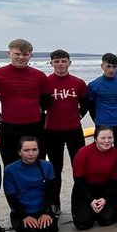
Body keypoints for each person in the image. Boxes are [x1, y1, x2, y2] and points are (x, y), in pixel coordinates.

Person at [39, 49, 89, 213]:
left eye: (63, 61)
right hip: (51, 131)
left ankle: (82, 198)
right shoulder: (45, 82)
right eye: (56, 61)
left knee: (80, 166)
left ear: (69, 62)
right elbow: (40, 105)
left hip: (74, 130)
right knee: (55, 168)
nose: (60, 64)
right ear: (51, 63)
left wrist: (77, 116)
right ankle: (55, 202)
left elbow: (85, 104)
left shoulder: (78, 83)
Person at [0, 38, 46, 169]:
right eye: (17, 54)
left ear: (31, 55)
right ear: (9, 54)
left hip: (35, 128)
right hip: (9, 128)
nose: (21, 57)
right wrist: (0, 123)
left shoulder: (40, 76)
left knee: (38, 165)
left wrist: (40, 119)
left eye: (25, 54)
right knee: (11, 167)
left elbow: (47, 102)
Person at [3, 137, 59, 232]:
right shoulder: (10, 170)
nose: (31, 153)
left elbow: (51, 191)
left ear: (39, 150)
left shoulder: (47, 166)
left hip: (42, 210)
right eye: (26, 150)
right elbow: (11, 196)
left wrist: (46, 212)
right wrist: (25, 216)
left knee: (50, 231)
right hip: (22, 212)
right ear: (19, 152)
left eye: (34, 149)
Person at [71, 126, 117, 229]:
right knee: (83, 224)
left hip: (105, 189)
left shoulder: (116, 153)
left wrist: (104, 198)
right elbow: (78, 180)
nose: (107, 141)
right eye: (103, 138)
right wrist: (91, 200)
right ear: (95, 139)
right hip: (85, 189)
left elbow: (115, 180)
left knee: (107, 220)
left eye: (110, 138)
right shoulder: (83, 153)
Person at [88, 53, 117, 145]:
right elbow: (91, 107)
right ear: (102, 66)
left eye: (114, 67)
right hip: (102, 124)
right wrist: (97, 120)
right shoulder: (93, 85)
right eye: (108, 66)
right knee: (102, 153)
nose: (111, 70)